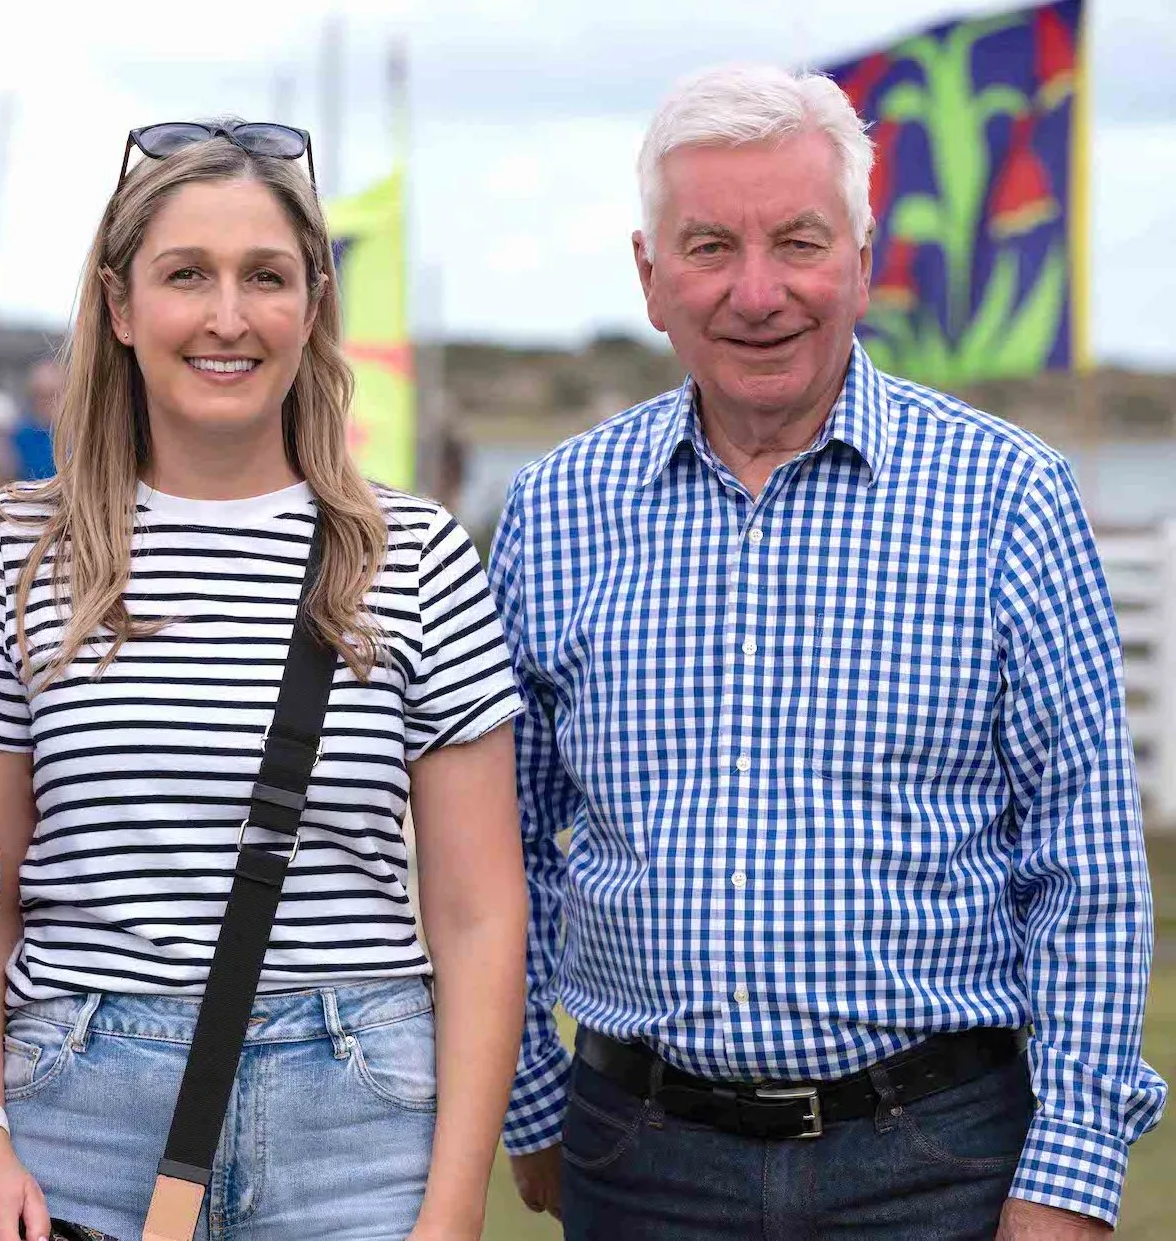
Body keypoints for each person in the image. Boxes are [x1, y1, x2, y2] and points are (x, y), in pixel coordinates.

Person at [490, 65, 1166, 1240]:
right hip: (638, 1158)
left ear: (860, 262)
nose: (757, 293)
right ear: (650, 279)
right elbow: (494, 848)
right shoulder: (554, 512)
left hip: (936, 1154)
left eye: (797, 242)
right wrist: (533, 1099)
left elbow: (1085, 862)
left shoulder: (1006, 497)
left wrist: (1066, 1173)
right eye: (708, 247)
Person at [0, 119, 527, 1241]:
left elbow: (479, 913)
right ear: (118, 305)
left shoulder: (415, 554)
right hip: (76, 1110)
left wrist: (450, 1210)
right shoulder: (18, 549)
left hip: (355, 1116)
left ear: (313, 304)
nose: (226, 316)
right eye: (184, 275)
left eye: (265, 276)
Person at [9, 358, 63, 481]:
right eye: (40, 395)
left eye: (52, 395)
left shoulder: (77, 437)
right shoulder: (18, 437)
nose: (47, 403)